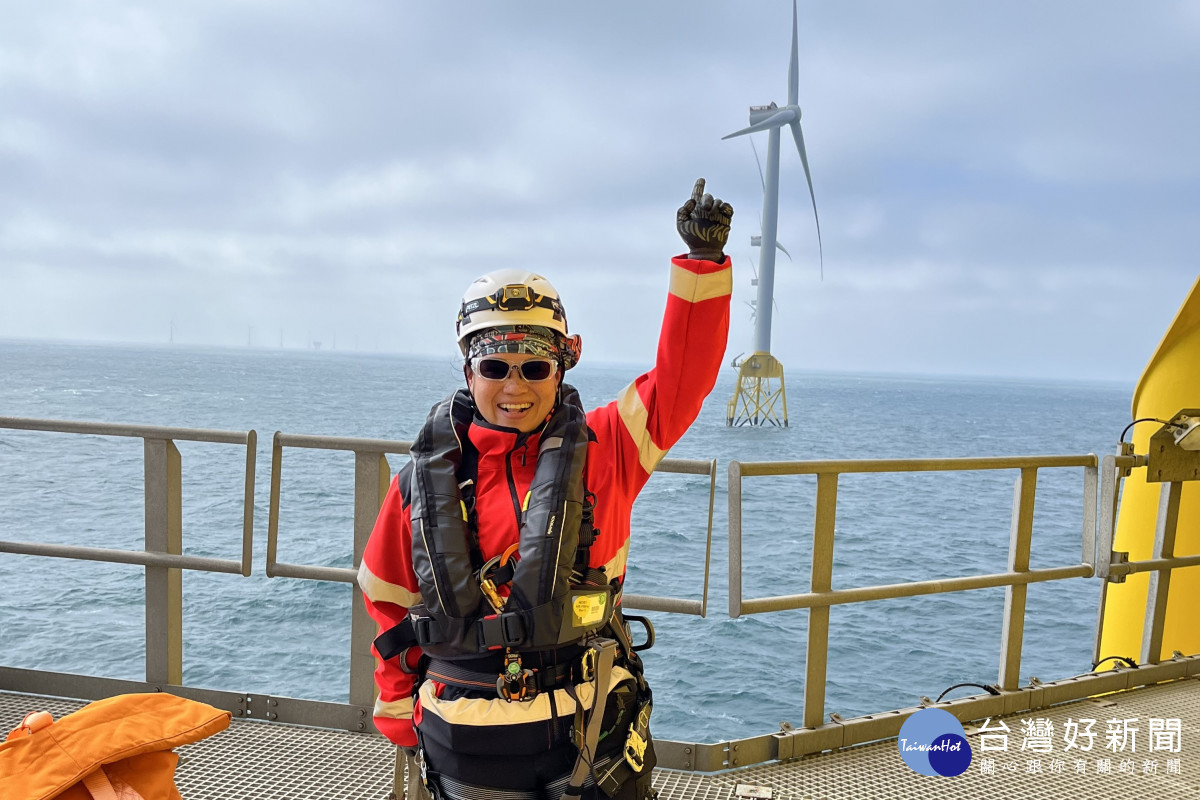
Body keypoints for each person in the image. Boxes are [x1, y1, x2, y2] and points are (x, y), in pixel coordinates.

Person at [358, 179, 734, 800]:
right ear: (467, 369)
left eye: (535, 365)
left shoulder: (609, 447)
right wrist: (401, 715)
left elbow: (681, 380)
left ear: (563, 365)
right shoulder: (420, 486)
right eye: (495, 366)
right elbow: (388, 602)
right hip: (466, 750)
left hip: (587, 742)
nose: (515, 386)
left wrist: (701, 266)